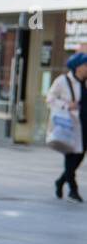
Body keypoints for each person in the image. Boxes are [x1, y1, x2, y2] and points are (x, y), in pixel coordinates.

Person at [47, 52, 87, 202]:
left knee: (80, 156)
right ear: (78, 67)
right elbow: (50, 98)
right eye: (86, 65)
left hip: (85, 125)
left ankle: (60, 181)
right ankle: (73, 189)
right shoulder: (63, 81)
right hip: (70, 125)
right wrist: (66, 105)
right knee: (71, 156)